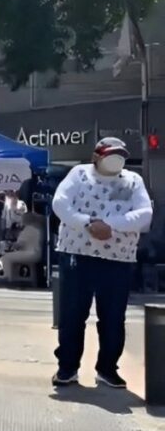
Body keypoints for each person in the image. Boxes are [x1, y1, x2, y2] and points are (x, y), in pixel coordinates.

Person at [51, 137, 152, 389]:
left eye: (120, 155)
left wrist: (111, 226)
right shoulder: (78, 174)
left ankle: (107, 369)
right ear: (96, 156)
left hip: (117, 258)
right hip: (78, 253)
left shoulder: (132, 181)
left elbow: (144, 213)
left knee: (113, 317)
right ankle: (67, 368)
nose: (115, 159)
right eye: (110, 154)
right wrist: (87, 223)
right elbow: (60, 203)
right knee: (73, 314)